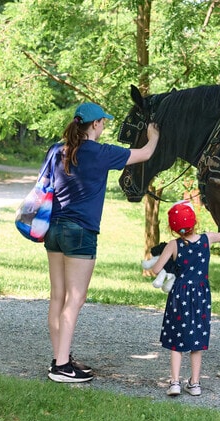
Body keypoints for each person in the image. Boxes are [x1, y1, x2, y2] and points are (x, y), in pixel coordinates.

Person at [45, 102, 160, 383]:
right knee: (75, 299)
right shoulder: (101, 153)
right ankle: (62, 367)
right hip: (81, 233)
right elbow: (145, 153)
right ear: (95, 124)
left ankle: (60, 357)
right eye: (103, 122)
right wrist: (153, 134)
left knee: (58, 297)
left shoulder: (55, 150)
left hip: (53, 229)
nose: (104, 126)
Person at [151, 198, 220, 396]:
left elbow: (156, 269)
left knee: (176, 342)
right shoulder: (206, 239)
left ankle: (175, 383)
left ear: (173, 228)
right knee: (196, 341)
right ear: (195, 222)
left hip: (179, 295)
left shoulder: (173, 245)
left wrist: (167, 266)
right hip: (201, 295)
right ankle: (194, 384)